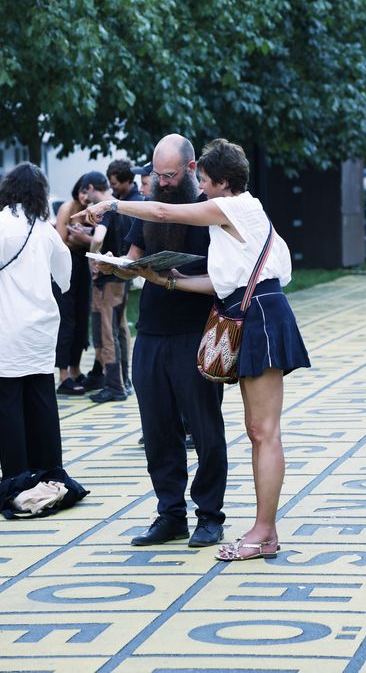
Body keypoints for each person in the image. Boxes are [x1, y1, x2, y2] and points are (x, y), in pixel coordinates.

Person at [84, 137, 311, 560]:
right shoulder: (239, 213)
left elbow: (163, 210)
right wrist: (165, 280)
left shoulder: (232, 207)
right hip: (250, 312)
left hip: (258, 317)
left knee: (264, 433)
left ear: (221, 181)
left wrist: (112, 205)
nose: (200, 188)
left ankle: (261, 531)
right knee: (258, 432)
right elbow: (223, 281)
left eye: (202, 180)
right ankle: (258, 529)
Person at [77, 135, 228, 548]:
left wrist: (174, 280)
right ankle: (170, 514)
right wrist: (121, 267)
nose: (160, 182)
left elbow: (224, 277)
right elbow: (133, 256)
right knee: (157, 428)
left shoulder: (208, 210)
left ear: (192, 168)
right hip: (152, 331)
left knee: (205, 427)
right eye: (157, 174)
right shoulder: (146, 210)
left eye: (169, 174)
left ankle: (210, 515)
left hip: (196, 333)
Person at [0, 163, 71, 479]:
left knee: (8, 406)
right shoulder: (45, 228)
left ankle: (16, 480)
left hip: (4, 327)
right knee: (42, 403)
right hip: (40, 329)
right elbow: (64, 273)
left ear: (7, 189)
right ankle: (49, 473)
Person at [80, 171, 128, 403]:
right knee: (120, 331)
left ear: (90, 187)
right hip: (122, 276)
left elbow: (99, 237)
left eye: (85, 192)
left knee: (107, 333)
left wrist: (93, 257)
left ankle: (115, 387)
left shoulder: (105, 208)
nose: (85, 198)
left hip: (107, 280)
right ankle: (124, 382)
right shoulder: (121, 205)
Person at [53, 175, 96, 396]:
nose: (84, 196)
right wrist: (79, 239)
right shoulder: (67, 208)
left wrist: (80, 238)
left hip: (83, 266)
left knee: (81, 318)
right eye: (81, 191)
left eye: (87, 192)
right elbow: (60, 241)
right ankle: (62, 374)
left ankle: (76, 368)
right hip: (65, 267)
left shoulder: (93, 210)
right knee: (66, 319)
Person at [106, 159, 145, 395]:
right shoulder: (128, 203)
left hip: (122, 271)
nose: (113, 188)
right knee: (120, 326)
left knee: (110, 328)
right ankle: (125, 380)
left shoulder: (130, 205)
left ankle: (117, 384)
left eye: (115, 183)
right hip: (124, 267)